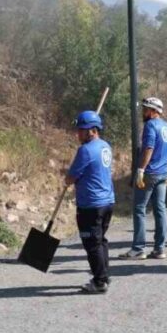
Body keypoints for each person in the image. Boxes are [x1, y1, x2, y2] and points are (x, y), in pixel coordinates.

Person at [65, 110, 115, 294]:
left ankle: (99, 282)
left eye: (81, 130)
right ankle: (104, 275)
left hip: (91, 205)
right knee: (100, 240)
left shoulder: (85, 150)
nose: (78, 134)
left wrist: (68, 179)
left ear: (92, 131)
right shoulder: (105, 146)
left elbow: (71, 177)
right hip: (107, 202)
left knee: (92, 244)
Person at [120, 97, 167, 260]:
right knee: (160, 209)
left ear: (154, 111)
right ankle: (159, 249)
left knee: (139, 209)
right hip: (163, 173)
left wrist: (141, 170)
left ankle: (138, 249)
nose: (143, 112)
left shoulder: (150, 126)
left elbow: (148, 149)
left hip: (150, 173)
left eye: (146, 109)